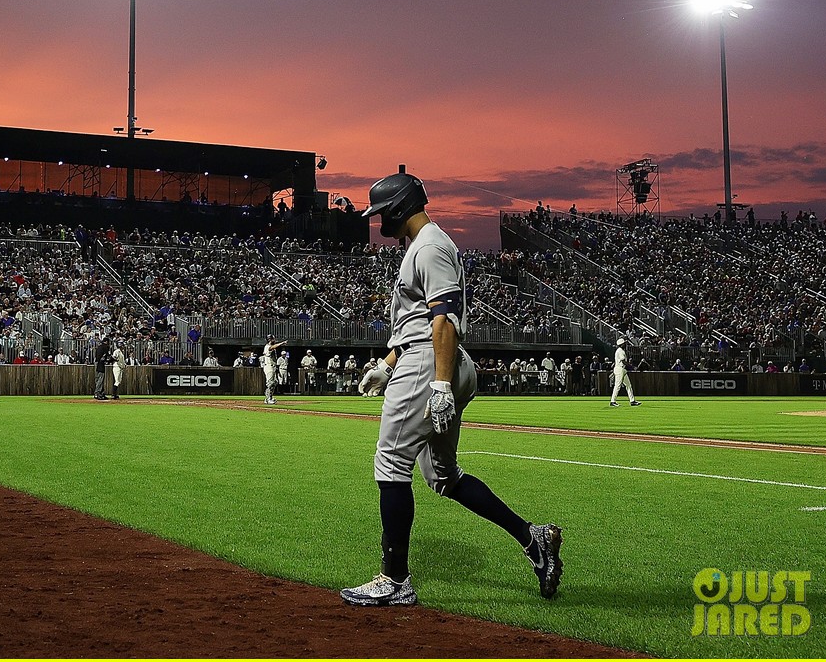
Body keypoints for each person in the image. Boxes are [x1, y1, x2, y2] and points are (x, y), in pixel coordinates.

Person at [341, 172, 562, 607]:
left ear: (401, 206)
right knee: (442, 476)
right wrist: (386, 366)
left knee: (390, 463)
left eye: (382, 211)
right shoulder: (424, 246)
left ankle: (395, 579)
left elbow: (443, 320)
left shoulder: (429, 246)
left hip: (432, 362)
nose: (379, 219)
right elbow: (420, 323)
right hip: (428, 358)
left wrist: (439, 383)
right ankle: (533, 538)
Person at [610, 337, 639, 407]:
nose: (625, 344)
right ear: (622, 344)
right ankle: (613, 401)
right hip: (620, 369)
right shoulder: (620, 351)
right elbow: (623, 361)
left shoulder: (620, 350)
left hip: (622, 369)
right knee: (617, 385)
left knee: (628, 385)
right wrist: (632, 367)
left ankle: (632, 401)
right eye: (624, 343)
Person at [262, 335, 287, 405]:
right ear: (270, 339)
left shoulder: (271, 347)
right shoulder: (267, 347)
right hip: (269, 366)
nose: (274, 340)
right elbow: (271, 347)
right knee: (270, 383)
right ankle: (268, 399)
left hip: (273, 366)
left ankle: (269, 397)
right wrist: (281, 343)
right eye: (273, 339)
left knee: (275, 382)